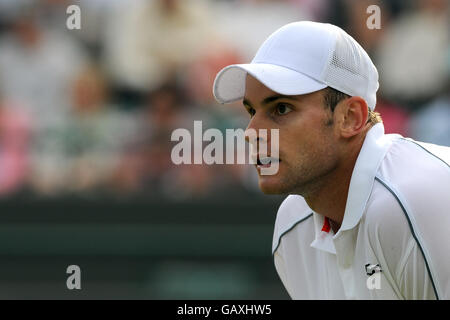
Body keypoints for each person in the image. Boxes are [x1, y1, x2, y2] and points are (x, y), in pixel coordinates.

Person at [212, 21, 450, 299]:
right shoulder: (292, 225)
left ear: (350, 118)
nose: (252, 132)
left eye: (281, 108)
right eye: (251, 110)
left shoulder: (418, 200)